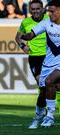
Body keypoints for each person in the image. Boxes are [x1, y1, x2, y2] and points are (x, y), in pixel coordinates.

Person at [20, 0, 60, 128]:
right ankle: (38, 116)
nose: (50, 14)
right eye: (49, 11)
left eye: (52, 11)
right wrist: (25, 37)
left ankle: (50, 116)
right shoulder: (46, 23)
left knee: (49, 82)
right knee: (44, 91)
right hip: (48, 63)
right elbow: (31, 34)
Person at [15, 0, 48, 129]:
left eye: (38, 8)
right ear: (30, 10)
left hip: (51, 57)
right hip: (36, 58)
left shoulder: (49, 19)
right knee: (44, 86)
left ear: (42, 9)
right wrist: (23, 46)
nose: (35, 11)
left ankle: (48, 115)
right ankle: (39, 116)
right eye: (33, 9)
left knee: (52, 87)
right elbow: (18, 37)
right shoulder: (25, 22)